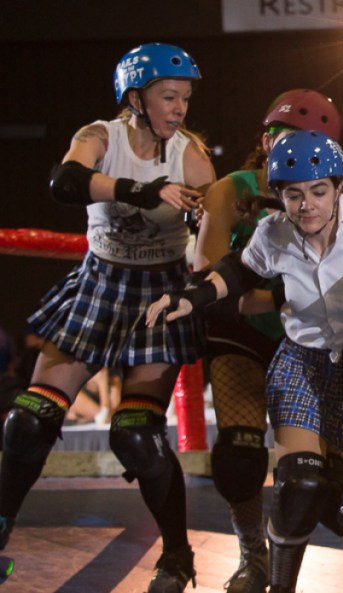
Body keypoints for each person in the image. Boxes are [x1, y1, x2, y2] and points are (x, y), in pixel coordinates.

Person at [147, 130, 343, 593]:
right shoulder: (274, 231)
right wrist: (191, 297)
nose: (306, 205)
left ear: (339, 187)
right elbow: (239, 270)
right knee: (299, 486)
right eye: (293, 194)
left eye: (318, 191)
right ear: (279, 195)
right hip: (304, 362)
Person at [0, 43, 213, 593]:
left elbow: (215, 227)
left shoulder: (189, 154)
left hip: (158, 295)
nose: (179, 108)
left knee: (137, 436)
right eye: (169, 96)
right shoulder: (101, 136)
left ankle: (177, 555)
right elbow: (65, 182)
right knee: (28, 421)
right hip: (101, 284)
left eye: (185, 98)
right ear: (136, 98)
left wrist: (212, 229)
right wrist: (143, 191)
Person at [193, 88, 341, 593]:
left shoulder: (331, 198)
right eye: (284, 140)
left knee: (335, 485)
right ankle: (252, 555)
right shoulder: (230, 191)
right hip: (242, 333)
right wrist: (282, 298)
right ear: (264, 141)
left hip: (308, 341)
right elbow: (209, 285)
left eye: (309, 144)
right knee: (239, 456)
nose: (294, 154)